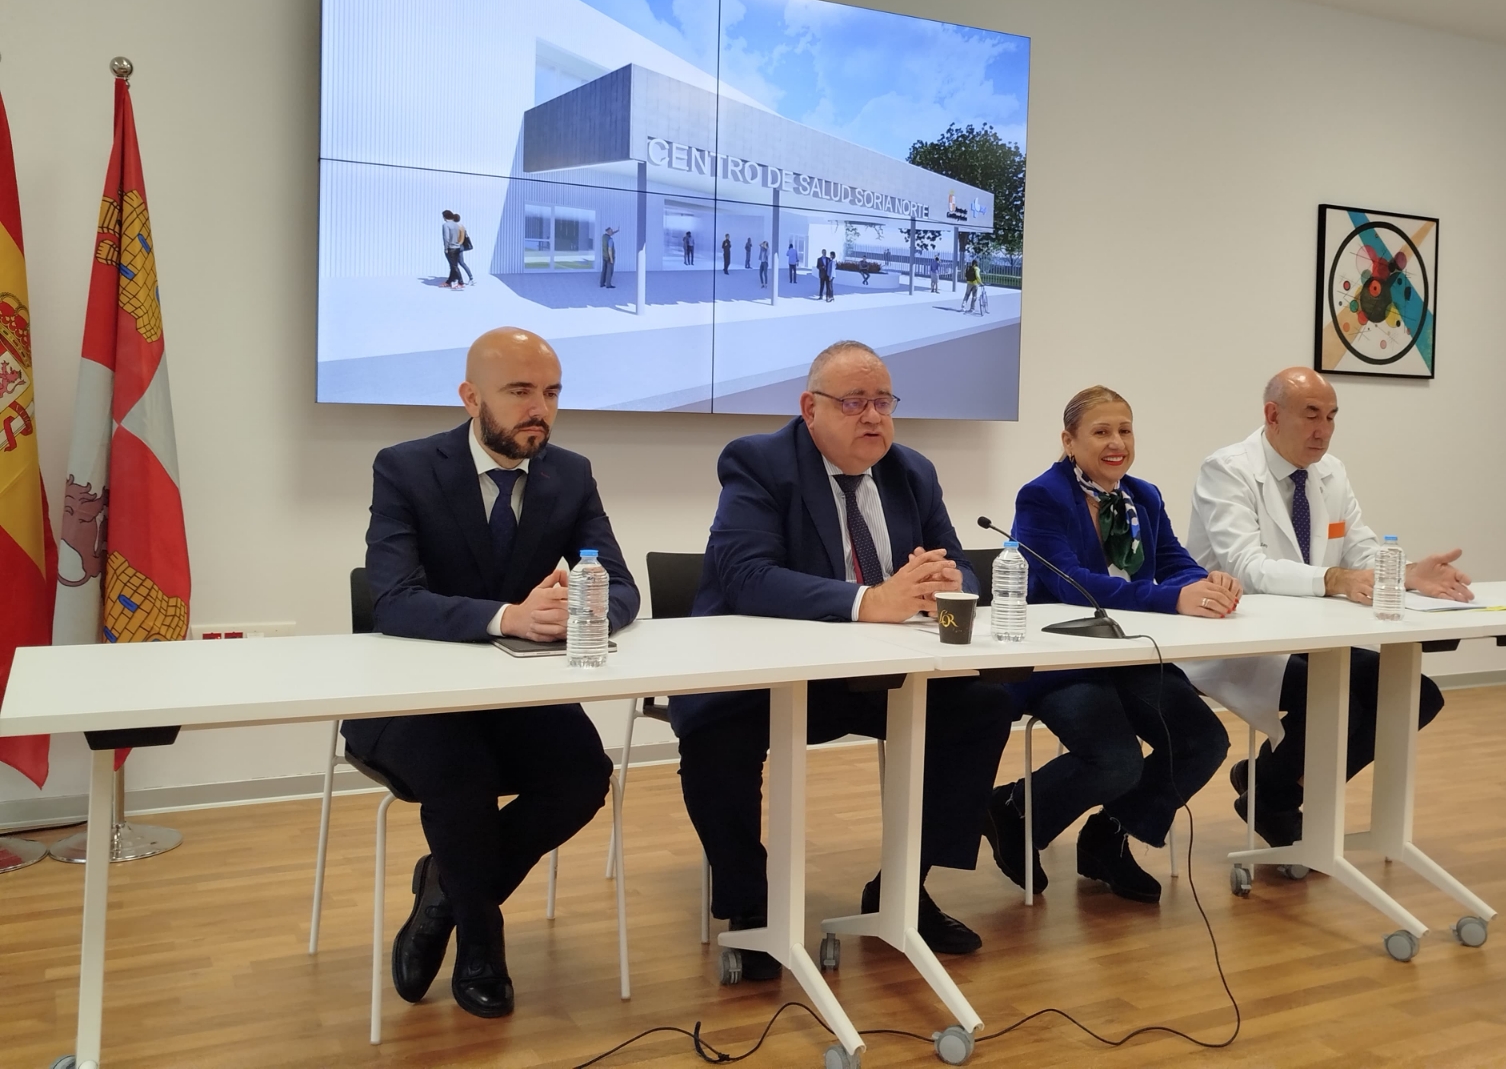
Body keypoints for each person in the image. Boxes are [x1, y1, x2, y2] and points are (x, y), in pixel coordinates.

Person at [670, 340, 1014, 982]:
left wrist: (946, 588)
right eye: (854, 402)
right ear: (811, 408)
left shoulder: (912, 472)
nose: (873, 416)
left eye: (883, 402)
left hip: (874, 675)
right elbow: (745, 575)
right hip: (764, 677)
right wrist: (868, 602)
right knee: (714, 738)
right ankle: (751, 905)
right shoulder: (759, 461)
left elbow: (963, 568)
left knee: (980, 708)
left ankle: (901, 888)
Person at [342, 328, 640, 1020]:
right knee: (462, 774)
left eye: (552, 393)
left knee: (583, 776)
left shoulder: (570, 474)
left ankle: (443, 894)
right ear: (471, 397)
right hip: (412, 698)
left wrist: (582, 608)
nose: (540, 409)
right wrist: (508, 617)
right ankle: (481, 942)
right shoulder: (406, 468)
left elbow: (621, 586)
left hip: (517, 697)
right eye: (520, 392)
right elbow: (392, 599)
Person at [1185, 367, 1468, 847]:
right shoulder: (1227, 470)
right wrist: (1332, 579)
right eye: (1311, 415)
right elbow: (1247, 567)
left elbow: (1360, 551)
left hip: (1312, 635)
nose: (1324, 430)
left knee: (1416, 695)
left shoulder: (1331, 472)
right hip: (1240, 636)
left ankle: (1270, 786)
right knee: (1341, 701)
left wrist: (1407, 572)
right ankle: (1273, 794)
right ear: (1273, 415)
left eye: (1332, 417)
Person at [983, 386, 1233, 904]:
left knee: (1203, 740)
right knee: (1116, 760)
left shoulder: (1144, 495)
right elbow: (1070, 584)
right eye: (1101, 432)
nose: (1116, 442)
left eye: (1125, 430)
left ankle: (1108, 836)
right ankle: (1014, 808)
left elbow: (1174, 562)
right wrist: (1172, 599)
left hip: (1130, 655)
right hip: (1062, 660)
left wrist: (1207, 583)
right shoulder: (1042, 496)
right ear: (1069, 441)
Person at [441, 209, 464, 290]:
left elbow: (446, 238)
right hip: (457, 247)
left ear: (445, 217)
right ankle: (449, 281)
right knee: (453, 265)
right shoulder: (456, 225)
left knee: (454, 266)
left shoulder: (445, 225)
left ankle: (460, 282)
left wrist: (446, 248)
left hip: (450, 248)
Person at [451, 212, 476, 285]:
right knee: (462, 263)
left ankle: (456, 280)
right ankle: (471, 278)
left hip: (456, 247)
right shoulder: (462, 226)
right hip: (461, 247)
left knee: (454, 264)